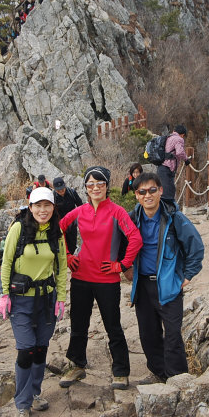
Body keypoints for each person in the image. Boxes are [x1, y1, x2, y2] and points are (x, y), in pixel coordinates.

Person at [58, 166, 143, 390]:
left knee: (112, 325)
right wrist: (66, 255)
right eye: (90, 184)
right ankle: (77, 365)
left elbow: (135, 238)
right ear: (85, 188)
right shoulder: (79, 212)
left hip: (107, 279)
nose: (95, 188)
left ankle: (121, 371)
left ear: (106, 186)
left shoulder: (117, 212)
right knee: (78, 324)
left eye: (100, 184)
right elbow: (57, 230)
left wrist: (122, 264)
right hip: (80, 277)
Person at [0, 187, 68, 417]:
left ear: (53, 208)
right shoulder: (18, 229)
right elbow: (6, 262)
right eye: (38, 205)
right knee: (26, 350)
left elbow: (61, 267)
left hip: (46, 300)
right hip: (21, 301)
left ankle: (35, 393)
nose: (42, 210)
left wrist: (61, 298)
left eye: (47, 205)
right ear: (30, 207)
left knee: (40, 349)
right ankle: (22, 403)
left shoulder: (56, 232)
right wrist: (4, 294)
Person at [128, 172, 204, 383]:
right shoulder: (132, 219)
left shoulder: (174, 218)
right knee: (148, 334)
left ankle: (177, 377)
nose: (148, 195)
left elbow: (195, 247)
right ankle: (159, 372)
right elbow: (118, 245)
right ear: (137, 195)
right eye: (142, 192)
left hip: (169, 284)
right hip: (143, 286)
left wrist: (187, 275)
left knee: (172, 335)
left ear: (161, 191)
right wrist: (125, 269)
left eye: (152, 190)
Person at [158, 125, 190, 205]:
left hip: (161, 167)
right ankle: (168, 213)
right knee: (168, 193)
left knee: (164, 192)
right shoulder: (179, 139)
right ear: (182, 134)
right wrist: (186, 160)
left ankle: (166, 212)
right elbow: (180, 152)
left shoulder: (168, 137)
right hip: (167, 168)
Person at [52, 177, 84, 254]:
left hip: (72, 223)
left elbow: (80, 206)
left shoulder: (71, 193)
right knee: (61, 244)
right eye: (58, 190)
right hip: (60, 223)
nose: (61, 192)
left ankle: (71, 260)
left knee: (72, 244)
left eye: (62, 189)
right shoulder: (53, 197)